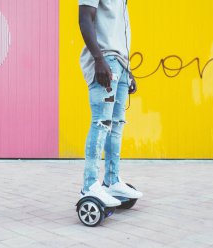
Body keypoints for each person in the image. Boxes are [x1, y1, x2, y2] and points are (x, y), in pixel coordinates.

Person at [78, 0, 143, 207]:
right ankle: (90, 185)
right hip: (106, 60)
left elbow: (117, 33)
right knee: (101, 123)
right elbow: (85, 17)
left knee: (116, 125)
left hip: (121, 63)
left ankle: (112, 180)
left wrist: (128, 71)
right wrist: (98, 59)